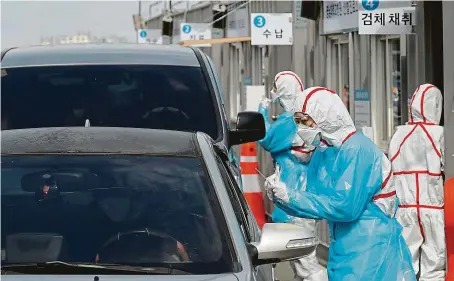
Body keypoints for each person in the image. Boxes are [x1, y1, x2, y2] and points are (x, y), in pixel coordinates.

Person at [265, 86, 416, 281]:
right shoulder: (323, 152)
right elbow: (315, 203)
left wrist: (291, 196)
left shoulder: (359, 150)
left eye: (305, 121)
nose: (302, 129)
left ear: (325, 116)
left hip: (372, 248)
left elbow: (345, 207)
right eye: (298, 122)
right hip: (341, 249)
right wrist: (283, 196)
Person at [258, 72, 327, 281]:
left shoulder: (290, 120)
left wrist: (261, 111)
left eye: (277, 90)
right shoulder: (305, 118)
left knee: (307, 264)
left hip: (293, 200)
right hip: (305, 198)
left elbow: (266, 138)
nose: (275, 96)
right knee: (301, 260)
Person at [389, 84, 445, 281]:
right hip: (432, 208)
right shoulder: (438, 134)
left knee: (405, 263)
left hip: (405, 209)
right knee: (435, 265)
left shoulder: (398, 135)